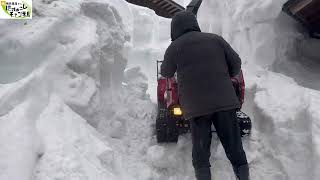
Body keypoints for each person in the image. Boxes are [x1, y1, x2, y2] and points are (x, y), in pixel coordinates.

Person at [160, 3, 250, 180]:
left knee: (200, 154)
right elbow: (236, 63)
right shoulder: (215, 39)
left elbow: (166, 73)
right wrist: (227, 74)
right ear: (194, 23)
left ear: (174, 29)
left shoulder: (175, 47)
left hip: (197, 108)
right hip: (225, 103)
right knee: (234, 148)